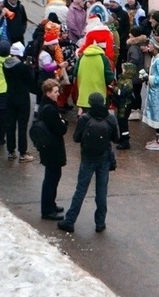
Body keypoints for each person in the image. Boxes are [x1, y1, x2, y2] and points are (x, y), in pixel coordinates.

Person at [58, 92, 120, 233]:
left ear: (90, 103)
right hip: (104, 158)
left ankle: (70, 221)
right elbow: (116, 138)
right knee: (101, 191)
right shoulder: (110, 118)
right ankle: (100, 223)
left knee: (81, 190)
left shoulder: (85, 118)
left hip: (87, 158)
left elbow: (76, 138)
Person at [36, 79, 69, 221]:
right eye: (55, 92)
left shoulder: (47, 105)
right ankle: (47, 210)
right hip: (52, 148)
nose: (58, 94)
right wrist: (63, 122)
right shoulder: (49, 109)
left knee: (53, 177)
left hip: (50, 147)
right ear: (48, 93)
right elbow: (60, 128)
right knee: (51, 179)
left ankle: (51, 204)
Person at [3, 41, 35, 162]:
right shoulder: (23, 67)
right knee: (22, 126)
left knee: (10, 125)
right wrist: (29, 67)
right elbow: (30, 80)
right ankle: (23, 152)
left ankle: (11, 151)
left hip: (9, 96)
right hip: (22, 98)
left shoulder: (5, 65)